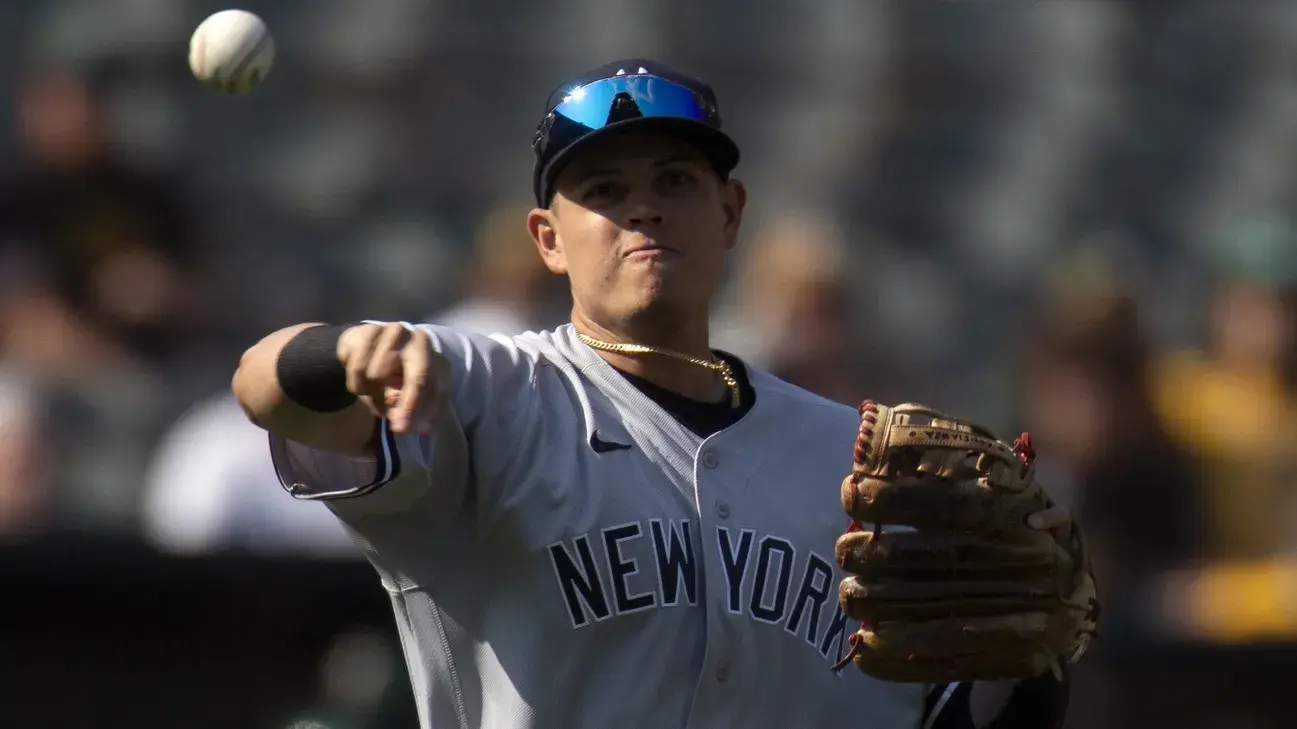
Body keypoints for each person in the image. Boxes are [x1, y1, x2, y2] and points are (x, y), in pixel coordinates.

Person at [232, 60, 1072, 729]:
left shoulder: (849, 460)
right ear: (547, 240)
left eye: (675, 181)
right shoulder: (491, 393)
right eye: (602, 191)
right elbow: (267, 388)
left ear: (730, 212)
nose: (644, 209)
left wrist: (1031, 675)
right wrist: (339, 352)